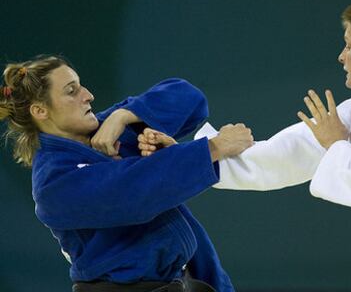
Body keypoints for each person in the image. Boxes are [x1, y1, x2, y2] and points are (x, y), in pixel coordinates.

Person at [140, 0, 351, 292]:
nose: (341, 56)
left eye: (349, 45)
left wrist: (336, 143)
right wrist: (189, 155)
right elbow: (280, 157)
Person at [0, 55, 254, 292]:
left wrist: (125, 114)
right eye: (71, 91)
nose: (88, 95)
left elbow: (189, 97)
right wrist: (213, 147)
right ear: (40, 111)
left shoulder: (109, 127)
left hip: (186, 279)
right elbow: (136, 190)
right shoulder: (53, 184)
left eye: (81, 85)